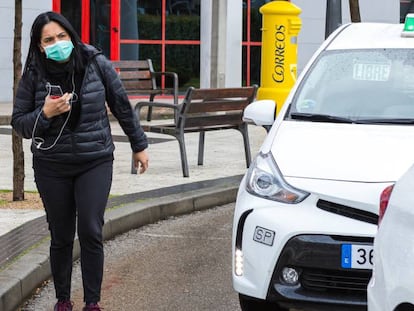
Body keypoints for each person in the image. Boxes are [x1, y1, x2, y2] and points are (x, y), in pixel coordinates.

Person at [11, 11, 149, 311]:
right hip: (51, 166)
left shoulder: (95, 61)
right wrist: (45, 114)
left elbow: (121, 103)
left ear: (71, 35)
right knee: (61, 235)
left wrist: (139, 145)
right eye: (49, 39)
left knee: (90, 229)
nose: (57, 43)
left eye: (62, 36)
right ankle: (62, 300)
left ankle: (92, 302)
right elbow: (19, 123)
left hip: (94, 160)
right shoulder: (34, 73)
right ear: (39, 45)